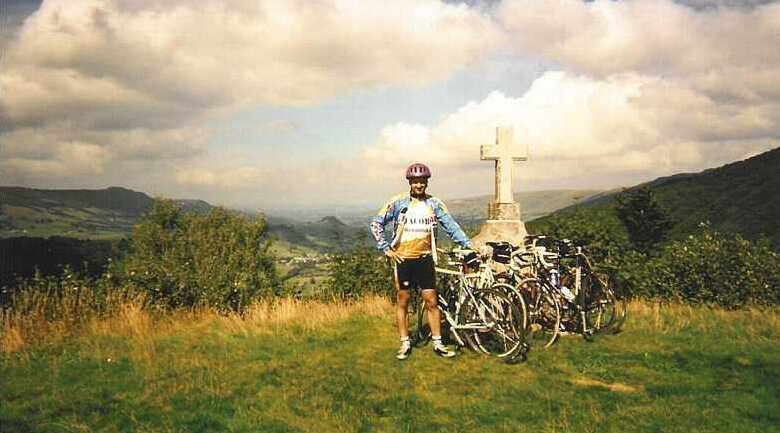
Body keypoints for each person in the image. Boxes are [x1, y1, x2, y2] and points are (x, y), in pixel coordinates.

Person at [369, 163, 474, 360]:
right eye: (415, 181)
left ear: (427, 181)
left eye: (422, 181)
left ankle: (438, 343)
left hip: (425, 259)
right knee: (403, 301)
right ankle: (405, 343)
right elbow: (376, 223)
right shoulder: (398, 202)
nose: (419, 184)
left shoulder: (434, 203)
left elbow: (451, 226)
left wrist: (468, 245)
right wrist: (386, 249)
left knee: (431, 301)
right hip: (403, 259)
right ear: (410, 182)